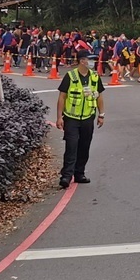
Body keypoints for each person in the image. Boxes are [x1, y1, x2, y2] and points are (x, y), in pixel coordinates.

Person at [56, 53, 106, 188]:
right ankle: (66, 176)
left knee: (84, 146)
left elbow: (99, 96)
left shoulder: (95, 77)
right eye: (90, 59)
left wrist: (101, 115)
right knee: (71, 146)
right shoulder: (70, 76)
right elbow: (62, 97)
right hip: (71, 118)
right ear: (82, 61)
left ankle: (79, 174)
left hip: (88, 118)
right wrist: (59, 117)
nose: (92, 62)